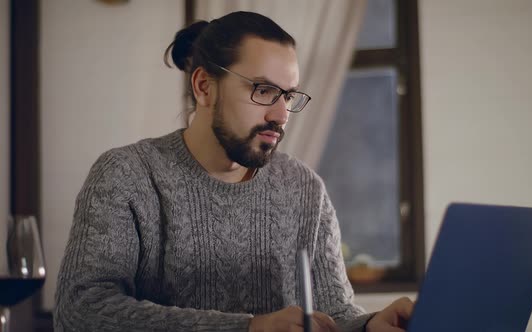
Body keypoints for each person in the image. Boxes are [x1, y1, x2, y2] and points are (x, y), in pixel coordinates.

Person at [54, 11, 413, 332]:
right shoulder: (127, 176)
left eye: (287, 95)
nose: (280, 115)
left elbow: (331, 313)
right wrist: (248, 328)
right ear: (204, 87)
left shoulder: (304, 189)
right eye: (263, 90)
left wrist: (368, 326)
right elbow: (80, 313)